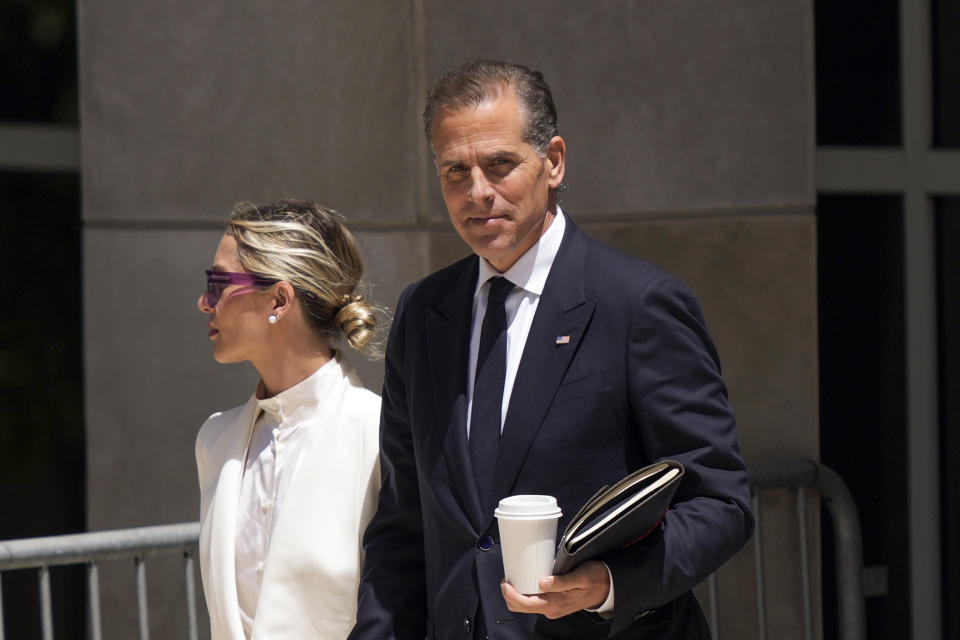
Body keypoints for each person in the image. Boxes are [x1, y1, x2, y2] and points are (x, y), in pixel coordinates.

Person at [350, 61, 754, 640]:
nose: (477, 192)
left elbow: (721, 502)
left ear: (554, 162)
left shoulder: (637, 305)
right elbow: (404, 526)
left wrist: (609, 582)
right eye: (455, 171)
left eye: (499, 165)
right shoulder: (424, 313)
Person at [195, 199, 381, 640]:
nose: (204, 302)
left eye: (218, 283)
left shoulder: (379, 433)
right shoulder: (214, 440)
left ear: (279, 298)